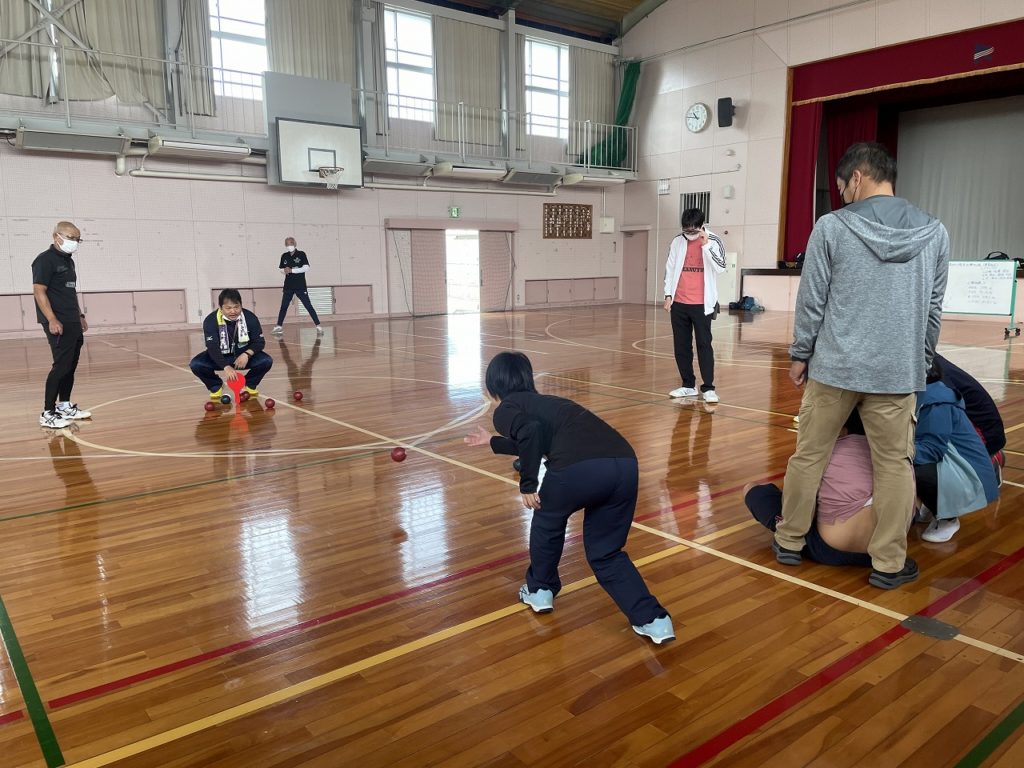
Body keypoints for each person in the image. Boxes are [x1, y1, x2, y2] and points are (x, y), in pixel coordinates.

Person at [775, 141, 950, 590]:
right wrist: (920, 361)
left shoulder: (831, 227)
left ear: (857, 178)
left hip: (834, 368)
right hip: (896, 374)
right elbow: (933, 311)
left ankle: (789, 541)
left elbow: (812, 300)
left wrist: (801, 354)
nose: (841, 196)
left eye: (841, 186)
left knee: (809, 455)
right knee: (894, 466)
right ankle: (889, 564)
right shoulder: (935, 233)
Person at [464, 352, 675, 645]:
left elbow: (531, 433)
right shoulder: (550, 403)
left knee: (547, 524)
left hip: (578, 469)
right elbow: (536, 438)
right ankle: (654, 620)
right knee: (606, 553)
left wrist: (528, 484)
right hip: (624, 464)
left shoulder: (506, 408)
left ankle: (540, 590)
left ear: (491, 388)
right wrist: (493, 442)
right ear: (527, 378)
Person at [746, 419, 914, 567]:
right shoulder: (897, 456)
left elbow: (801, 506)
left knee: (754, 491)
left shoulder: (823, 451)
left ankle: (788, 542)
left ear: (841, 426)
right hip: (885, 552)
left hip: (830, 548)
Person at [913, 361, 999, 542]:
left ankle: (948, 517)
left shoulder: (935, 400)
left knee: (904, 463)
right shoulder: (928, 393)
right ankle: (934, 504)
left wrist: (891, 450)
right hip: (957, 464)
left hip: (970, 475)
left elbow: (931, 449)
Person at [32, 221, 93, 429]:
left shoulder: (69, 261)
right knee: (60, 366)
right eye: (70, 238)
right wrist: (51, 319)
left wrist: (80, 315)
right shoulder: (44, 260)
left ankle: (65, 405)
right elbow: (39, 291)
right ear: (56, 236)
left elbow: (70, 292)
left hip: (72, 320)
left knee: (71, 365)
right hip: (57, 321)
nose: (74, 242)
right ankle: (48, 412)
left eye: (77, 239)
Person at [663, 208, 726, 403]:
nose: (689, 235)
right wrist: (668, 295)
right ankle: (688, 385)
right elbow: (670, 268)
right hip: (679, 302)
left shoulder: (713, 241)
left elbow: (721, 267)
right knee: (681, 346)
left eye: (693, 231)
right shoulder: (677, 241)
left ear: (701, 226)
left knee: (704, 345)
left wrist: (706, 246)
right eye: (686, 231)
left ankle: (708, 387)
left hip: (702, 304)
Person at [190, 289, 273, 401]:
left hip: (243, 357)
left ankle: (250, 384)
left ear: (241, 305)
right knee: (196, 364)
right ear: (220, 307)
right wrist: (226, 366)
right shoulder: (210, 321)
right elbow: (212, 347)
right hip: (220, 357)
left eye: (236, 307)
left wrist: (246, 354)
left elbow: (259, 342)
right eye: (228, 308)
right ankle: (215, 385)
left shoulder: (250, 318)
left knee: (266, 361)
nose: (233, 311)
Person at [934, 353, 1006, 479]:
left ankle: (988, 461)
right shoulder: (930, 360)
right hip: (986, 429)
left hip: (985, 432)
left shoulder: (932, 367)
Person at [271, 237, 323, 335]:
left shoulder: (301, 254)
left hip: (300, 285)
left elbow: (306, 268)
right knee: (283, 306)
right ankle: (279, 326)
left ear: (294, 244)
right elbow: (281, 269)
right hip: (288, 286)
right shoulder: (284, 256)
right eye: (287, 244)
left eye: (290, 243)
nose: (289, 245)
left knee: (308, 305)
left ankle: (318, 326)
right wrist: (284, 271)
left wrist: (292, 270)